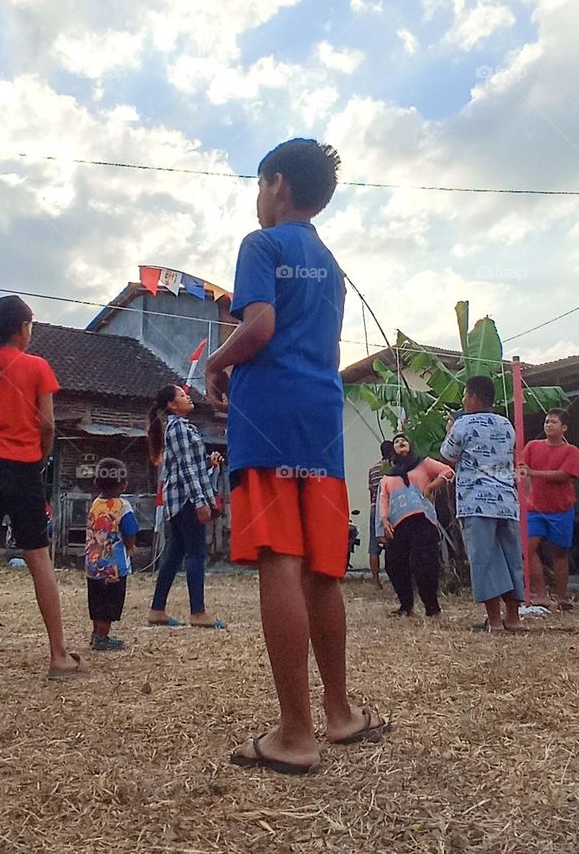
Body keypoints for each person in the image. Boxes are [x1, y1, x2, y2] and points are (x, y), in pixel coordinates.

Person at [207, 137, 388, 775]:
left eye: (260, 185)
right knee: (321, 570)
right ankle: (338, 713)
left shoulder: (262, 245)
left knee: (278, 561)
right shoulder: (331, 263)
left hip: (270, 418)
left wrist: (214, 361)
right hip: (320, 419)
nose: (258, 199)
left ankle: (295, 732)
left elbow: (258, 327)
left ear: (278, 184)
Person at [0, 295, 84, 681]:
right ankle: (59, 657)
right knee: (39, 559)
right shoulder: (37, 367)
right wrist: (37, 460)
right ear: (22, 328)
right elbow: (48, 427)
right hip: (23, 469)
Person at [439, 375, 525, 634]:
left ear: (474, 397)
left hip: (476, 502)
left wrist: (449, 431)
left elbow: (447, 458)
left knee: (484, 559)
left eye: (465, 395)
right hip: (507, 501)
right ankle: (513, 617)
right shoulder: (507, 424)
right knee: (511, 557)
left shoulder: (462, 426)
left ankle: (494, 621)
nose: (464, 400)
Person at [146, 384, 224, 628]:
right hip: (186, 499)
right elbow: (188, 470)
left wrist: (209, 462)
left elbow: (191, 464)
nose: (187, 396)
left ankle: (157, 609)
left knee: (174, 553)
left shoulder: (180, 427)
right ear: (171, 404)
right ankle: (197, 612)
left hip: (178, 498)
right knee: (196, 552)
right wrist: (201, 502)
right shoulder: (179, 428)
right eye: (181, 395)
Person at [380, 434, 453, 617]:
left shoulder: (423, 463)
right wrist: (384, 520)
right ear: (392, 451)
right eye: (396, 442)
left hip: (422, 521)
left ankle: (431, 607)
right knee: (395, 565)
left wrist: (430, 487)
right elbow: (383, 499)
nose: (401, 442)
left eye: (404, 440)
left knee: (425, 564)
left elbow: (447, 471)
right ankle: (406, 606)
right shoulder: (388, 477)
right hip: (398, 525)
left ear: (410, 445)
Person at [519, 409, 579, 610]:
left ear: (564, 428)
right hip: (535, 509)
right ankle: (541, 593)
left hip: (561, 509)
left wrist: (533, 473)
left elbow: (565, 475)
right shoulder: (532, 446)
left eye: (554, 422)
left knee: (559, 553)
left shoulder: (571, 451)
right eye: (547, 421)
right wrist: (527, 492)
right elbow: (521, 468)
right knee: (529, 548)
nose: (549, 425)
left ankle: (562, 596)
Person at [86, 458, 140, 650]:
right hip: (113, 567)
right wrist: (130, 546)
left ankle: (96, 633)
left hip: (93, 564)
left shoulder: (95, 504)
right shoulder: (122, 506)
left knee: (97, 602)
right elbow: (131, 529)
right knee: (110, 605)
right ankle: (102, 638)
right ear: (123, 484)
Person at [368, 440, 396, 588]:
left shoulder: (373, 469)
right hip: (390, 508)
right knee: (393, 544)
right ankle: (395, 578)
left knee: (374, 547)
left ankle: (375, 581)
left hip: (374, 507)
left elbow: (371, 491)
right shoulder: (393, 468)